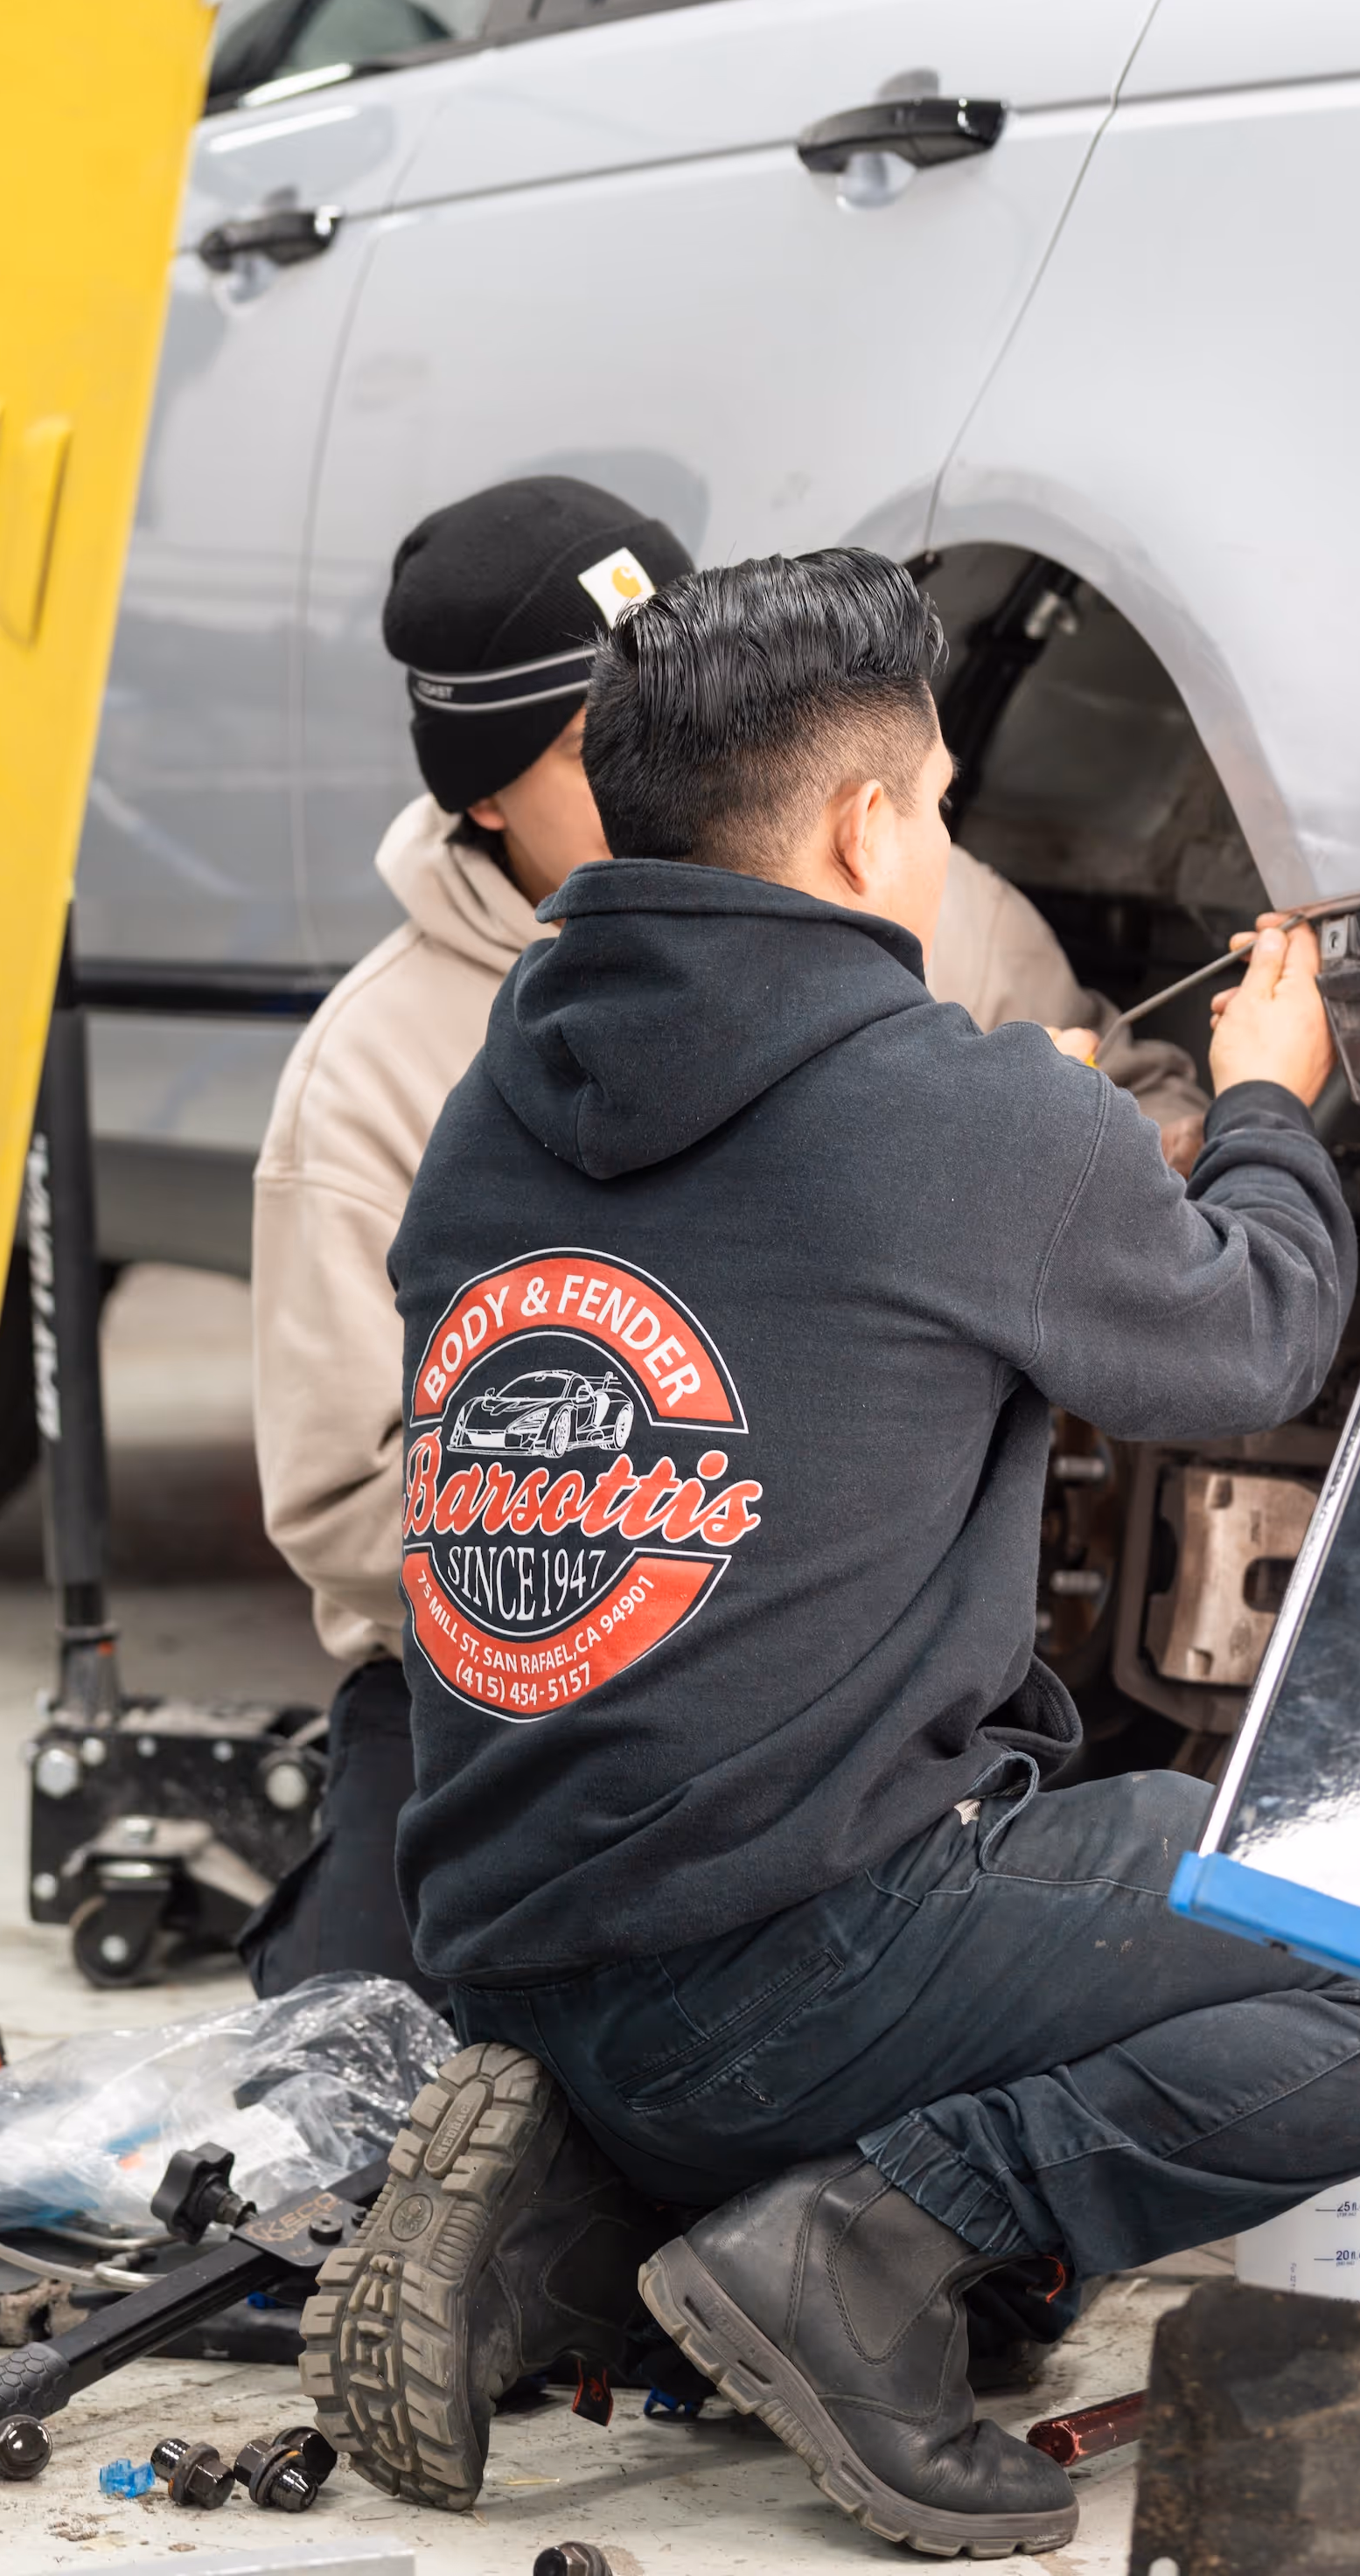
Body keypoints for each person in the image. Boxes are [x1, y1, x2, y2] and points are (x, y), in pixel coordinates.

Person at [297, 551, 1360, 2556]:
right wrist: (1263, 1110)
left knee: (1045, 1899)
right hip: (797, 1952)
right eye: (942, 810)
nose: (940, 844)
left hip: (509, 1941)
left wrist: (1010, 1154)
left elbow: (807, 1262)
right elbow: (1257, 1339)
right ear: (869, 823)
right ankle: (877, 2240)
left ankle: (588, 2204)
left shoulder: (499, 1091)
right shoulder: (940, 1112)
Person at [245, 485, 1203, 1996]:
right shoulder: (380, 1066)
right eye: (594, 739)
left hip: (840, 1682)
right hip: (508, 1691)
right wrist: (695, 1530)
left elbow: (1132, 1090)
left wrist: (1067, 1166)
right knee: (376, 2076)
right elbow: (342, 1493)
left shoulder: (918, 893)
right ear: (481, 795)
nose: (672, 758)